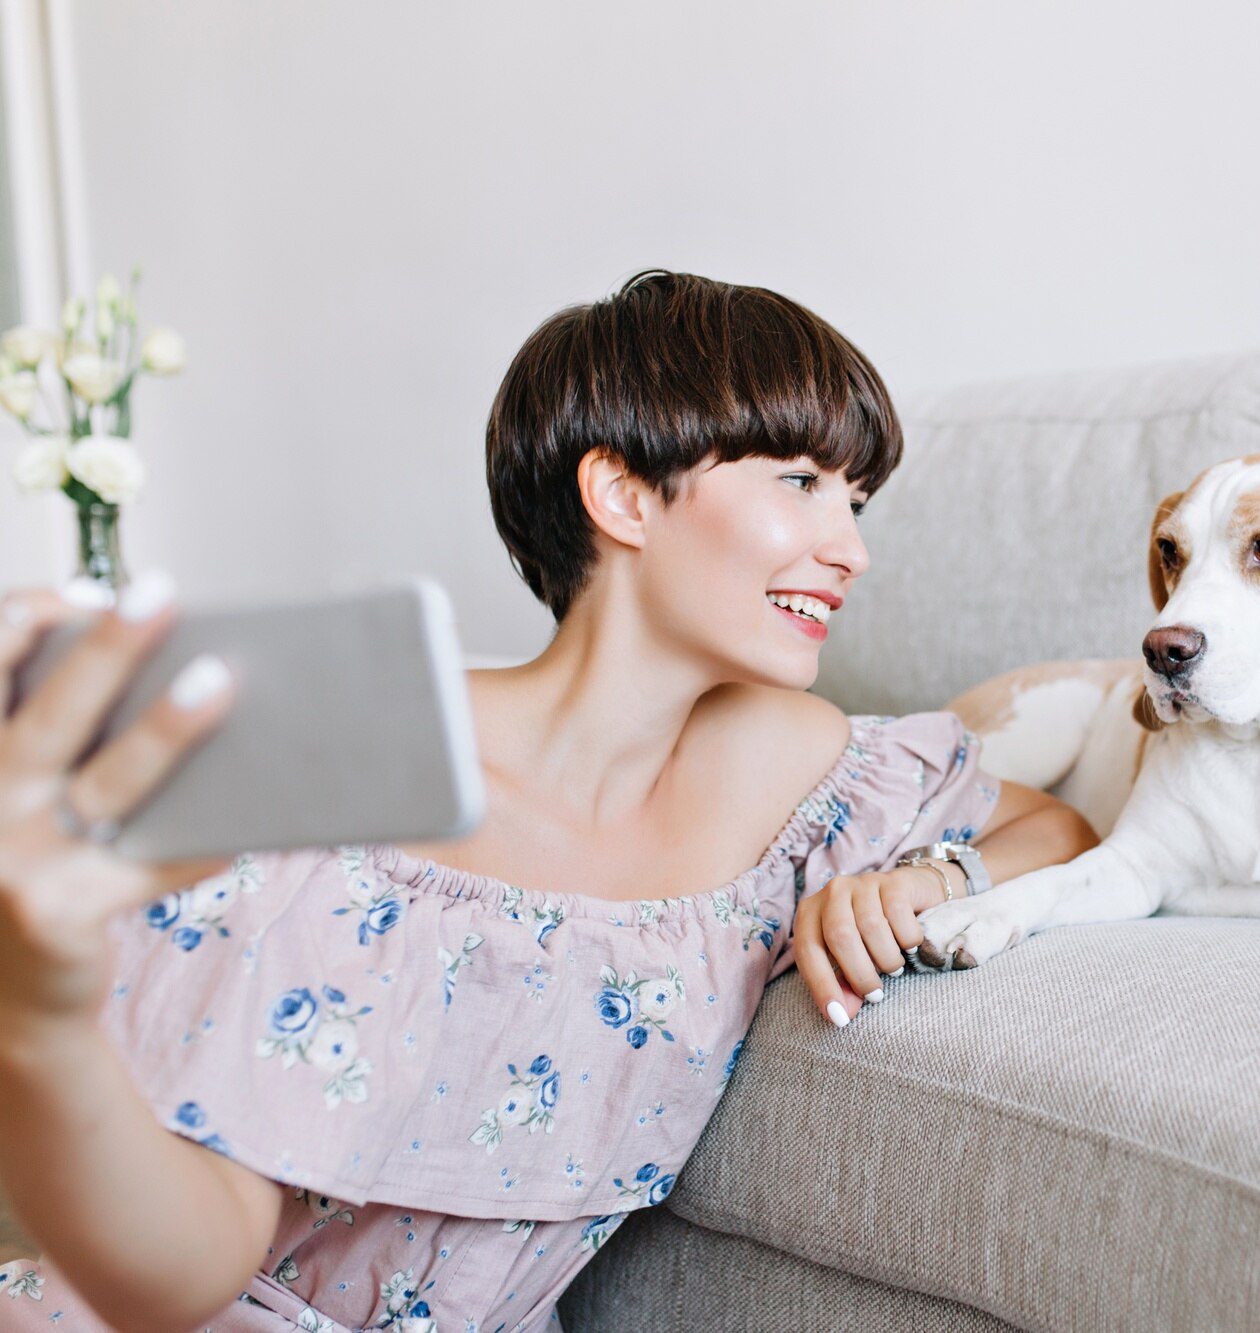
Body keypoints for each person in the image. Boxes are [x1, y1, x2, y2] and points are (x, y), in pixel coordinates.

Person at [0, 270, 1098, 1332]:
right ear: (621, 493)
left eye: (856, 500)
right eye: (801, 482)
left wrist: (931, 879)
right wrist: (41, 1022)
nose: (850, 548)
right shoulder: (350, 783)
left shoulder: (795, 770)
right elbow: (177, 1277)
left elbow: (1053, 827)